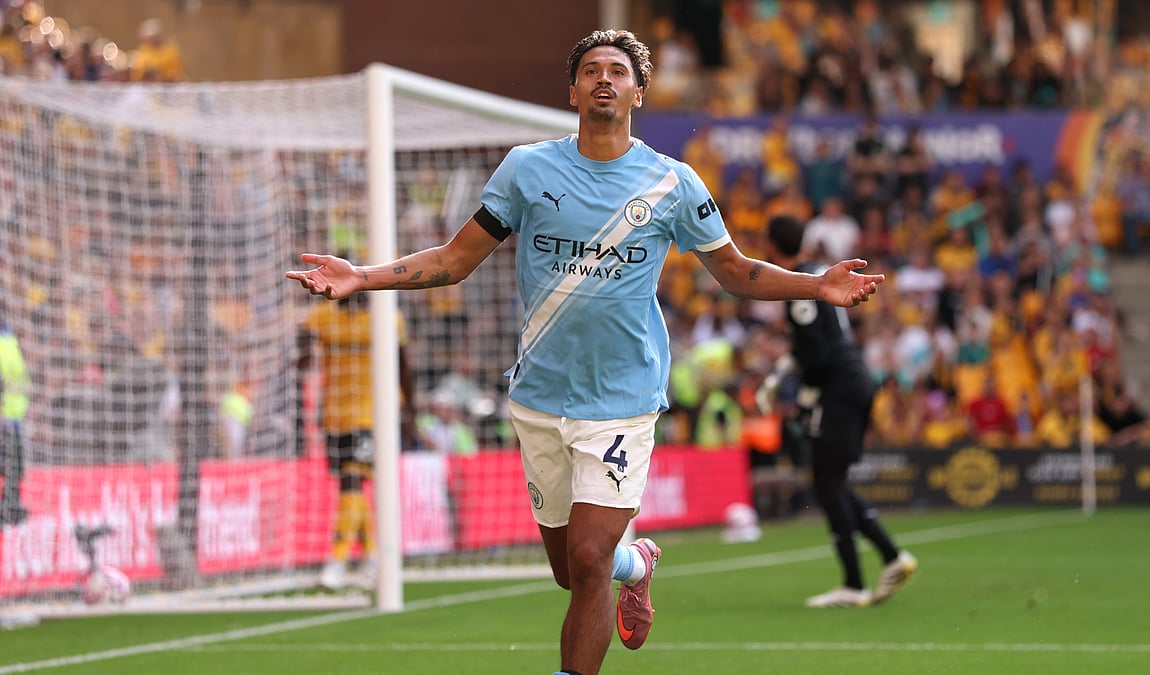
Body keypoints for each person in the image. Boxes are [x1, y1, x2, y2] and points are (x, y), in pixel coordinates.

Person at [287, 29, 883, 675]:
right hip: (540, 396)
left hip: (623, 398)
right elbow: (455, 260)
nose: (604, 78)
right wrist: (362, 276)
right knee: (572, 571)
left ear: (638, 92)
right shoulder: (527, 169)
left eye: (618, 71)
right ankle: (638, 563)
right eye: (592, 70)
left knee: (590, 556)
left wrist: (817, 285)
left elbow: (735, 272)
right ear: (572, 91)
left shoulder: (673, 183)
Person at [763, 213, 914, 609]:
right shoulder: (818, 271)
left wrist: (801, 390)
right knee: (833, 481)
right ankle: (890, 556)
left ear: (771, 246)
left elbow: (816, 352)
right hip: (854, 381)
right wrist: (786, 372)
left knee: (827, 484)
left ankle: (855, 582)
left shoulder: (800, 285)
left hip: (839, 389)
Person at [298, 288, 417, 590]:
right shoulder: (321, 318)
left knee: (352, 479)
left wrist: (410, 411)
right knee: (351, 484)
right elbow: (302, 360)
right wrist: (304, 342)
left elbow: (404, 366)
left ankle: (337, 560)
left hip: (375, 415)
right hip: (335, 414)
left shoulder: (387, 318)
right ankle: (372, 556)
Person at [0, 300, 30, 525]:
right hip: (5, 419)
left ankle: (10, 508)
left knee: (15, 469)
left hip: (14, 418)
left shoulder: (10, 339)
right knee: (8, 468)